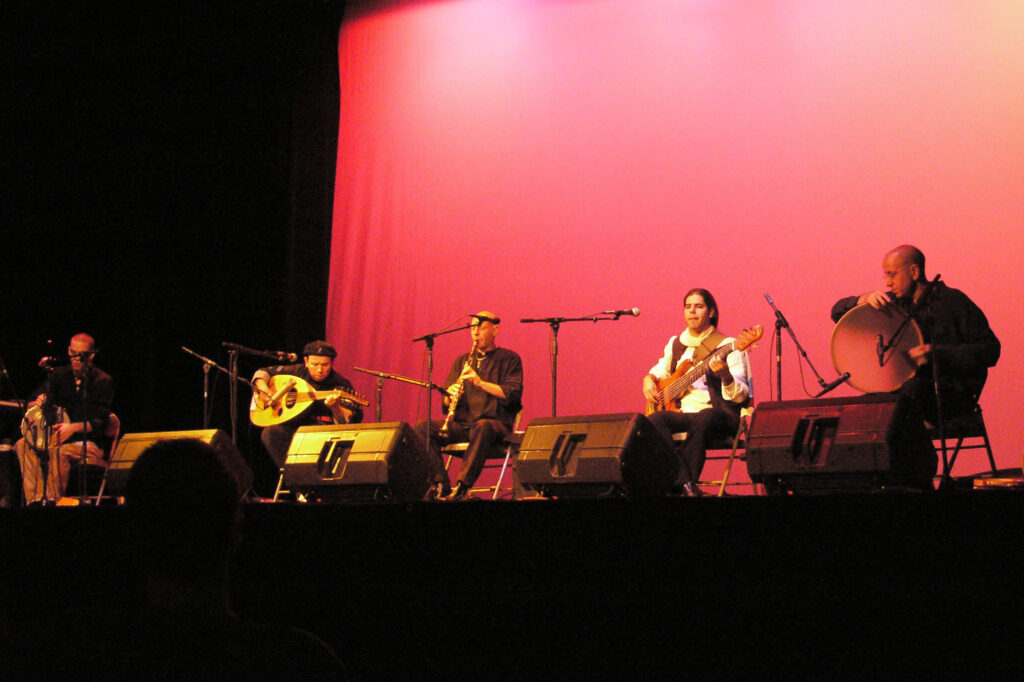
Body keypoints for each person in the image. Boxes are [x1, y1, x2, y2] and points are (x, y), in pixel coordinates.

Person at [831, 244, 1000, 488]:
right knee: (871, 405)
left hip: (952, 393)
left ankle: (917, 476)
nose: (887, 283)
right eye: (885, 275)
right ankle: (874, 481)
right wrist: (862, 299)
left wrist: (937, 354)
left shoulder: (953, 302)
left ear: (914, 271)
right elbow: (837, 312)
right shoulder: (896, 305)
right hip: (912, 393)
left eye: (892, 274)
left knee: (906, 396)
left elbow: (990, 350)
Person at [642, 289, 751, 496]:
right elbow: (660, 370)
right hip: (684, 415)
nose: (692, 311)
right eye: (688, 307)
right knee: (655, 419)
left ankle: (678, 486)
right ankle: (686, 485)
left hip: (718, 415)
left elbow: (741, 395)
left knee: (705, 417)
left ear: (710, 312)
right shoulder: (675, 343)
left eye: (698, 306)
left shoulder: (728, 345)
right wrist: (648, 379)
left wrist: (726, 377)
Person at [415, 311, 523, 501]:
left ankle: (462, 486)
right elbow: (446, 403)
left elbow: (512, 394)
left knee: (482, 426)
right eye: (473, 328)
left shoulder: (510, 359)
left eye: (481, 328)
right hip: (465, 425)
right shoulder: (462, 361)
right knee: (423, 427)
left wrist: (480, 382)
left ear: (495, 330)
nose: (476, 333)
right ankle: (441, 484)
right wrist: (450, 395)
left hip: (495, 425)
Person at [14, 332, 114, 505]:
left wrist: (72, 428)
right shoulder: (58, 376)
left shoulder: (102, 380)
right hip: (57, 439)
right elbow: (31, 402)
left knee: (57, 451)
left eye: (82, 355)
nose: (77, 359)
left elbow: (102, 422)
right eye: (74, 354)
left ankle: (53, 501)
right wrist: (37, 402)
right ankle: (36, 501)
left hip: (88, 443)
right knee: (22, 445)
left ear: (92, 355)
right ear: (69, 351)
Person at [251, 340, 363, 470]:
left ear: (332, 363)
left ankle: (310, 477)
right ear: (306, 361)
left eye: (325, 365)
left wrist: (335, 408)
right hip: (294, 426)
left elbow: (347, 425)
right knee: (270, 433)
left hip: (320, 431)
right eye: (315, 364)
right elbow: (262, 372)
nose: (320, 370)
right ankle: (291, 474)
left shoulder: (341, 385)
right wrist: (264, 389)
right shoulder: (296, 371)